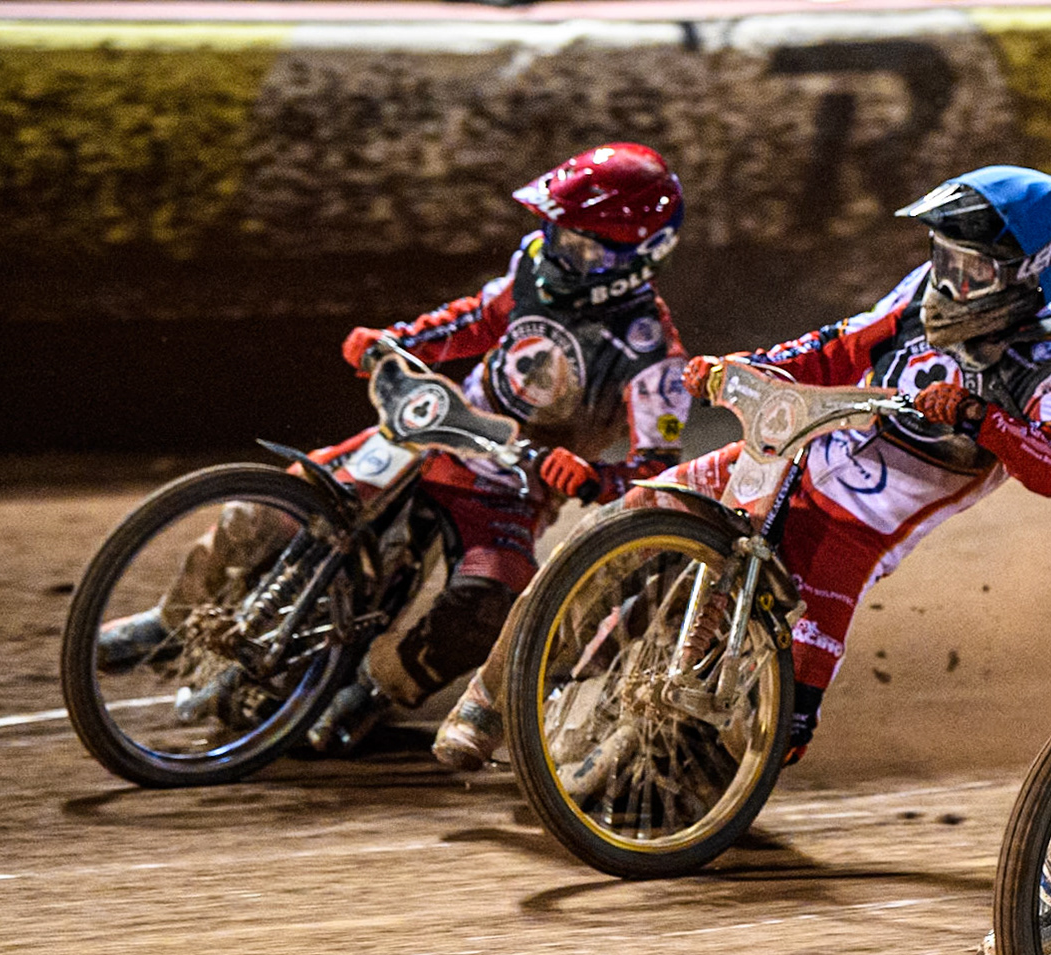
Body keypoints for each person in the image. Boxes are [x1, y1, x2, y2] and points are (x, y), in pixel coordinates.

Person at [431, 164, 1051, 769]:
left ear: (1027, 271)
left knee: (792, 709)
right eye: (945, 259)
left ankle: (715, 764)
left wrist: (985, 420)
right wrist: (748, 367)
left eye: (972, 271)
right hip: (796, 450)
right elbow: (840, 346)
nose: (951, 281)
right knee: (613, 529)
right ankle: (488, 703)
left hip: (863, 523)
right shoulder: (923, 292)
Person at [99, 143, 694, 755]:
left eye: (582, 244)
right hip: (434, 430)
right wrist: (394, 341)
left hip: (509, 484)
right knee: (264, 512)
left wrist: (593, 478)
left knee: (487, 598)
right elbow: (472, 320)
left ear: (637, 258)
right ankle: (171, 621)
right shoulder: (533, 273)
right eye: (558, 230)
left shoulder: (653, 356)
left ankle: (374, 690)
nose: (561, 250)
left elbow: (654, 470)